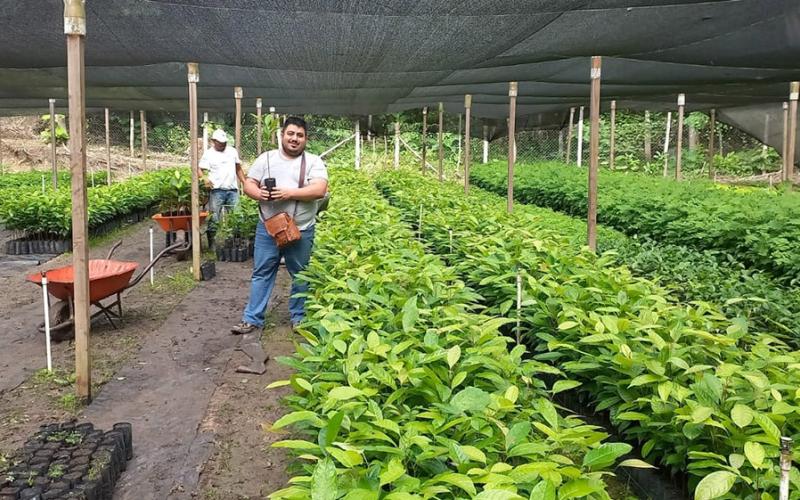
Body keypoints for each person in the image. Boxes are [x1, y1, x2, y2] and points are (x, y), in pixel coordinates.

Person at [231, 116, 328, 334]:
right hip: (268, 228)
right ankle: (252, 318)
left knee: (300, 274)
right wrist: (259, 194)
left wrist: (289, 193)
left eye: (300, 135)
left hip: (300, 229)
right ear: (282, 135)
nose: (294, 139)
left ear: (306, 139)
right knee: (262, 272)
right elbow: (249, 184)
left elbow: (320, 189)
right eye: (290, 133)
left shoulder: (313, 162)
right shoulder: (266, 159)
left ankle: (299, 317)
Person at [198, 129, 245, 249]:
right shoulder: (209, 154)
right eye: (220, 143)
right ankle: (212, 245)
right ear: (213, 141)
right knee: (214, 218)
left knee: (237, 217)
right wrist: (205, 178)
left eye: (224, 143)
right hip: (216, 190)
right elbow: (199, 169)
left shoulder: (232, 151)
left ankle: (236, 243)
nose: (223, 145)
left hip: (232, 190)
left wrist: (245, 182)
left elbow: (238, 168)